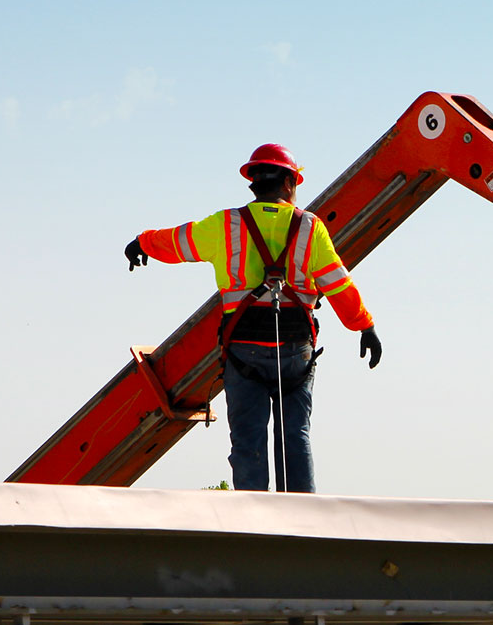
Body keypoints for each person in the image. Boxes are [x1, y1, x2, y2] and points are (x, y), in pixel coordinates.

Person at [124, 143, 381, 493]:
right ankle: (303, 517)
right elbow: (338, 283)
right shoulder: (310, 227)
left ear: (253, 184)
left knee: (248, 443)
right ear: (290, 182)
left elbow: (179, 241)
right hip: (295, 351)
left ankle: (254, 524)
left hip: (244, 350)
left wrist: (143, 243)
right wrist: (364, 326)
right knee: (295, 437)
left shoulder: (225, 225)